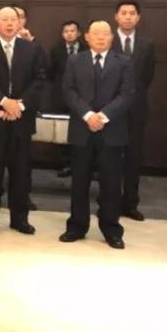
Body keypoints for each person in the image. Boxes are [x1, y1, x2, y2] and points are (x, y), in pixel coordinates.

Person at [59, 20, 135, 249]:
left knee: (111, 183)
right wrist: (87, 115)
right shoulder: (75, 60)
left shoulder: (124, 61)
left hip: (112, 130)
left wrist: (102, 116)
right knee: (79, 181)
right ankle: (76, 226)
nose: (101, 37)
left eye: (105, 34)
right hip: (82, 128)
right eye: (96, 33)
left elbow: (127, 93)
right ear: (87, 37)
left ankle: (111, 229)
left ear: (112, 37)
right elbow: (68, 90)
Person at [0, 7, 46, 236]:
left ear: (20, 23)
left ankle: (20, 219)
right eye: (4, 19)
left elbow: (39, 80)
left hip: (21, 120)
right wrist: (3, 102)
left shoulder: (32, 49)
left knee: (21, 173)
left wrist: (19, 105)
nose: (9, 23)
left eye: (13, 19)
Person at [112, 0, 156, 222]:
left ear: (138, 17)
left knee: (133, 157)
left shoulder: (147, 45)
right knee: (110, 158)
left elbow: (147, 77)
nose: (128, 17)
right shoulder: (107, 40)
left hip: (136, 109)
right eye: (124, 13)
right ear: (116, 16)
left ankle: (130, 203)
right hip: (110, 109)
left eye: (132, 13)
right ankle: (109, 203)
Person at [49, 21, 84, 178]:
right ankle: (65, 163)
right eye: (66, 31)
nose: (69, 34)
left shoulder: (86, 49)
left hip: (82, 97)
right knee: (63, 132)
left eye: (72, 31)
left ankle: (81, 164)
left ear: (79, 33)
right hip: (61, 96)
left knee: (81, 131)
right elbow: (50, 73)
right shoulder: (56, 50)